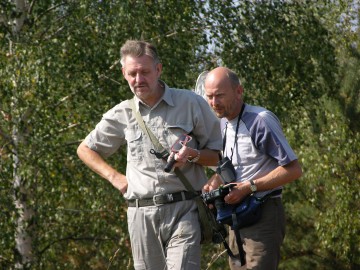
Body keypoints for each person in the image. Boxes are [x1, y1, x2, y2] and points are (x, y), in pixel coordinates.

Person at [76, 40, 222, 270]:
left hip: (184, 209)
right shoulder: (122, 113)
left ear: (159, 69)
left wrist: (192, 156)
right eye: (132, 73)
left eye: (144, 72)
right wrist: (115, 178)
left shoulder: (190, 103)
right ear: (124, 73)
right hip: (140, 214)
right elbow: (84, 149)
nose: (138, 79)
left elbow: (219, 155)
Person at [202, 67, 302, 270]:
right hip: (235, 217)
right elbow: (237, 165)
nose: (214, 103)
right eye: (210, 96)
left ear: (239, 91)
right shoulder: (224, 123)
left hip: (263, 213)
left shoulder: (260, 120)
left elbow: (293, 169)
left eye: (220, 95)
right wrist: (216, 180)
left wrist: (249, 188)